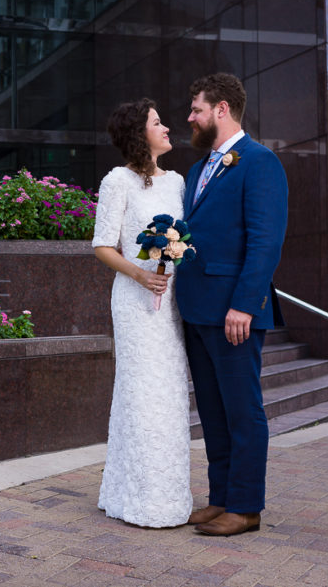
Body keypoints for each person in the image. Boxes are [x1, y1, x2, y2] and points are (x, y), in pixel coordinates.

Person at [174, 73, 288, 536]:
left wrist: (244, 303)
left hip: (234, 313)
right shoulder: (199, 169)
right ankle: (219, 498)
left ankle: (245, 508)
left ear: (221, 109)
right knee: (213, 412)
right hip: (198, 308)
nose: (190, 117)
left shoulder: (260, 163)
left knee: (243, 410)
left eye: (196, 109)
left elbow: (266, 240)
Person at [91, 98, 193, 527]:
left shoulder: (179, 182)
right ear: (139, 133)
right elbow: (102, 246)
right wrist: (139, 274)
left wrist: (175, 253)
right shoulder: (118, 182)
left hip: (169, 301)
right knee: (141, 393)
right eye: (157, 122)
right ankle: (138, 497)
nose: (167, 127)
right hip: (135, 302)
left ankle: (169, 496)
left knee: (168, 393)